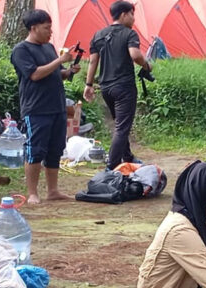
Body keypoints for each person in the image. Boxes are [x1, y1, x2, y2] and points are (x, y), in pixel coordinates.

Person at [11, 9, 80, 204]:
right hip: (36, 109)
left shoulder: (49, 48)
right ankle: (33, 192)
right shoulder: (21, 50)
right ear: (33, 28)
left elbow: (56, 73)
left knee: (55, 148)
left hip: (56, 106)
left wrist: (68, 70)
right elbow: (34, 74)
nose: (50, 32)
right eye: (46, 28)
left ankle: (53, 190)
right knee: (35, 149)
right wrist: (60, 60)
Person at [83, 1, 152, 170]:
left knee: (120, 124)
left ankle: (127, 156)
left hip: (106, 88)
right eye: (132, 14)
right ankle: (111, 167)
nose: (133, 19)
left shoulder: (98, 35)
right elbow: (135, 55)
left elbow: (93, 61)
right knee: (122, 127)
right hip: (124, 87)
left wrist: (89, 84)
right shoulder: (129, 34)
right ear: (123, 14)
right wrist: (147, 65)